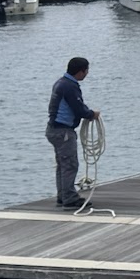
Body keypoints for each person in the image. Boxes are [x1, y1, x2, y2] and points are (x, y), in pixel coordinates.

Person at [47, 57, 100, 208]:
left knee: (62, 165)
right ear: (81, 71)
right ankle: (69, 198)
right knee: (70, 164)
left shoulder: (61, 82)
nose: (87, 73)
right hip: (63, 131)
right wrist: (91, 114)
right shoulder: (70, 86)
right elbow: (78, 108)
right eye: (87, 70)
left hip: (53, 130)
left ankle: (62, 196)